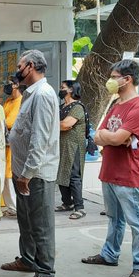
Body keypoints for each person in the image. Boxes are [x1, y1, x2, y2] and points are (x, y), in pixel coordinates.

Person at [81, 59, 139, 277]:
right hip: (109, 171)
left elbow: (117, 137)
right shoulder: (116, 104)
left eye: (114, 76)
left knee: (136, 222)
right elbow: (98, 134)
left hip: (128, 174)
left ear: (127, 79)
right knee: (114, 219)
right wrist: (114, 138)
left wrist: (114, 138)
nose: (110, 81)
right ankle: (109, 254)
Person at [1, 49, 60, 277]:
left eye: (21, 65)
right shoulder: (30, 94)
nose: (18, 70)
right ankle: (27, 259)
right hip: (22, 169)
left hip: (35, 173)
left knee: (41, 224)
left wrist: (27, 174)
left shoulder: (43, 95)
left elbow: (41, 139)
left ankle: (45, 272)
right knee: (26, 220)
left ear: (32, 66)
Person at [55, 80, 87, 220]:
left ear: (71, 90)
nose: (60, 90)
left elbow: (66, 125)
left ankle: (79, 207)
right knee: (61, 173)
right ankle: (67, 203)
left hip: (74, 146)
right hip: (61, 145)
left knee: (73, 176)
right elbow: (60, 124)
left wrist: (51, 124)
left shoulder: (77, 107)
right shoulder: (62, 107)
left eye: (63, 87)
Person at [1, 77, 22, 218]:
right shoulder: (8, 101)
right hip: (5, 143)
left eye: (9, 84)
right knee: (5, 176)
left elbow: (9, 121)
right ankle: (11, 206)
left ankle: (16, 206)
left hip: (15, 144)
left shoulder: (22, 101)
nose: (6, 87)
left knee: (10, 176)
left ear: (16, 85)